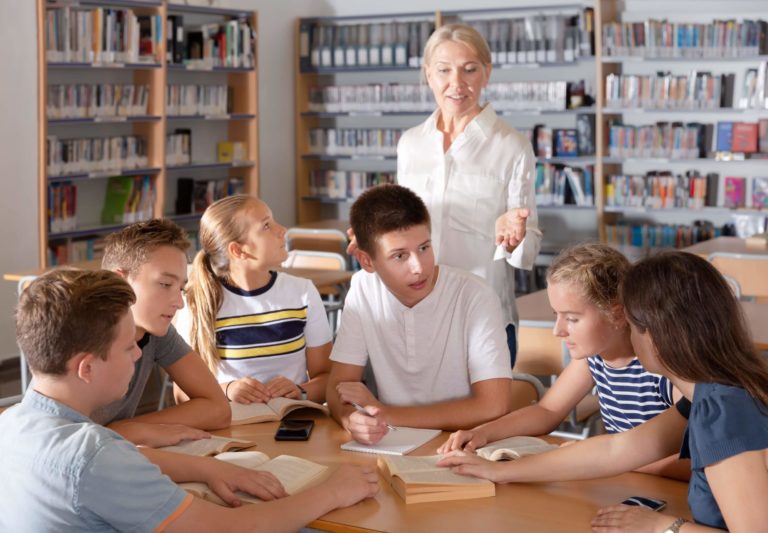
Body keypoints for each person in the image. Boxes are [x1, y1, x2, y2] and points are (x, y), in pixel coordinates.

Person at [0, 269, 379, 532]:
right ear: (86, 368)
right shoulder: (94, 456)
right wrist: (332, 491)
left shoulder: (13, 421)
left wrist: (208, 469)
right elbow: (234, 529)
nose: (137, 354)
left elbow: (111, 463)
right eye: (128, 345)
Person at [439, 251, 768, 532]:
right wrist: (501, 471)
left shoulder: (725, 413)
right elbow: (616, 450)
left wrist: (660, 526)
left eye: (634, 324)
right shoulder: (708, 397)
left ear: (658, 333)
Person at [439, 243, 689, 480]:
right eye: (556, 315)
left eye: (571, 318)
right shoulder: (595, 358)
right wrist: (481, 433)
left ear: (617, 314)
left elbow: (693, 463)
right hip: (622, 481)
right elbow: (546, 411)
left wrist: (611, 460)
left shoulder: (663, 369)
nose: (557, 331)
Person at [396, 23, 542, 366]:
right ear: (428, 75)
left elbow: (529, 247)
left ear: (486, 73)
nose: (456, 83)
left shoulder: (512, 147)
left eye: (469, 69)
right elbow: (401, 229)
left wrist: (514, 237)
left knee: (484, 421)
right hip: (416, 313)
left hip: (483, 318)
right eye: (444, 70)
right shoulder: (411, 144)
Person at [327, 184, 513, 445]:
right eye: (400, 256)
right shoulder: (362, 288)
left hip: (460, 445)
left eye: (424, 248)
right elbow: (339, 385)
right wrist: (350, 419)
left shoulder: (475, 296)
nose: (418, 267)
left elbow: (493, 406)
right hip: (392, 443)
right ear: (367, 261)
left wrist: (388, 414)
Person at [176, 194, 332, 405]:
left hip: (292, 423)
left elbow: (327, 379)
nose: (282, 230)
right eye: (266, 226)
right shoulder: (197, 302)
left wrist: (300, 390)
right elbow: (181, 394)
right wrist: (227, 390)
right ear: (238, 250)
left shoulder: (303, 292)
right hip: (230, 427)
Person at [98, 218, 231, 447]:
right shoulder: (82, 337)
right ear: (120, 281)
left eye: (180, 288)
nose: (179, 303)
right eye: (165, 284)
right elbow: (70, 440)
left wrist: (131, 429)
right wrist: (125, 433)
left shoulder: (157, 332)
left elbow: (218, 410)